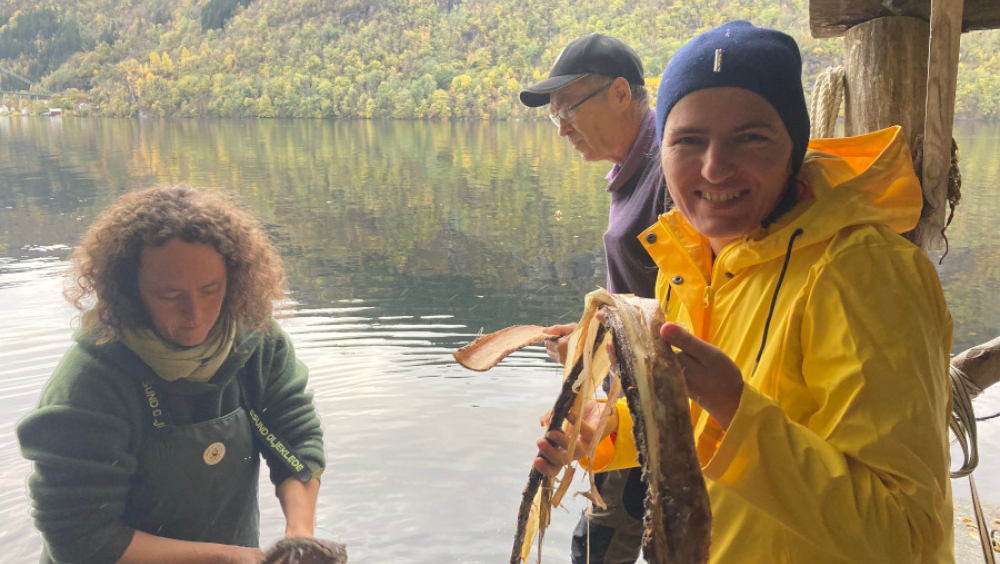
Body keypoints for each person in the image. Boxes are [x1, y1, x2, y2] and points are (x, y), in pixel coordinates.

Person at [533, 21, 954, 563]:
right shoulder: (695, 260)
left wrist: (734, 405)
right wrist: (604, 434)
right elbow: (697, 429)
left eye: (750, 136)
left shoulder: (864, 275)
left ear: (793, 144)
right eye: (688, 140)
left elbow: (904, 534)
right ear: (663, 150)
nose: (714, 167)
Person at [17, 185, 326, 564]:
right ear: (131, 291)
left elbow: (294, 438)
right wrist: (226, 558)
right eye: (170, 296)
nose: (195, 316)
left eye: (211, 290)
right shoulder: (89, 384)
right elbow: (81, 540)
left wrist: (299, 534)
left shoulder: (256, 344)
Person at [519, 33, 669, 564]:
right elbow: (639, 298)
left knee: (606, 542)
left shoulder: (670, 169)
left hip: (655, 405)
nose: (561, 127)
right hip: (625, 398)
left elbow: (686, 309)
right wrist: (590, 338)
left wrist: (602, 344)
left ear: (622, 93)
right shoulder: (633, 168)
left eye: (569, 110)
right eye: (553, 115)